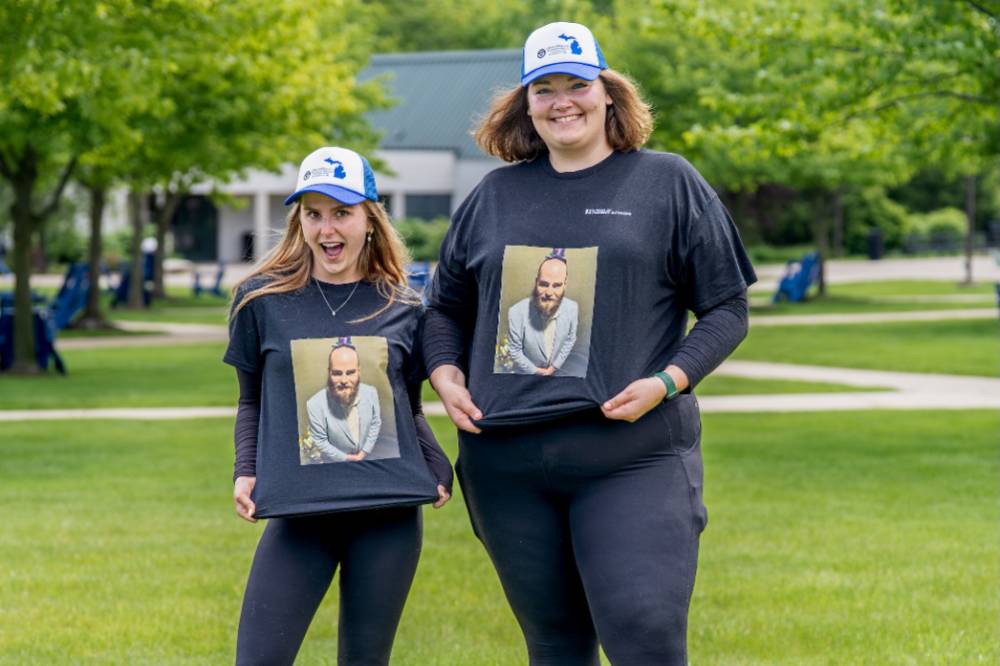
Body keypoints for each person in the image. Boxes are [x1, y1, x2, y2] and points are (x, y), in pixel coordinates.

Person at [425, 21, 756, 666]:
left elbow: (726, 307)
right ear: (526, 105)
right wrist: (443, 371)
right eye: (543, 89)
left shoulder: (668, 183)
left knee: (646, 638)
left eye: (576, 84)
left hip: (631, 455)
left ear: (608, 93)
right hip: (505, 465)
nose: (561, 102)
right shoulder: (493, 196)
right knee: (556, 648)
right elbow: (446, 309)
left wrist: (669, 381)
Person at [224, 146, 453, 666]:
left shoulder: (403, 308)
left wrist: (436, 462)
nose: (328, 229)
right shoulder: (260, 302)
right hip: (299, 514)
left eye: (342, 213)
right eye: (314, 213)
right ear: (298, 221)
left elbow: (407, 408)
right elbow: (250, 399)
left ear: (369, 219)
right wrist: (245, 469)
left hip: (387, 515)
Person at [305, 338, 382, 463]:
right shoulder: (314, 404)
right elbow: (320, 441)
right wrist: (346, 458)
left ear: (359, 371)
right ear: (329, 373)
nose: (344, 380)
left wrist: (364, 452)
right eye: (337, 373)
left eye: (351, 372)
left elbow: (375, 422)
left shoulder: (371, 393)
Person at [506, 249, 578, 376]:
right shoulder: (516, 312)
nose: (549, 293)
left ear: (564, 285)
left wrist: (554, 368)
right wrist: (536, 371)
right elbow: (514, 350)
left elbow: (570, 339)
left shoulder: (573, 308)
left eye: (557, 285)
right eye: (544, 284)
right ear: (536, 282)